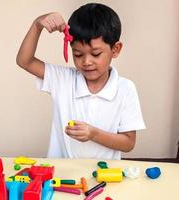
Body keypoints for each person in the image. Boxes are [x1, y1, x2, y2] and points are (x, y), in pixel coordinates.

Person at [16, 3, 145, 159]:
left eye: (96, 54)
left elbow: (128, 143)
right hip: (61, 175)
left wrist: (93, 133)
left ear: (115, 49)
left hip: (103, 176)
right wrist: (38, 24)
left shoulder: (125, 88)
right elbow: (25, 61)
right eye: (78, 54)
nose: (86, 62)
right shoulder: (63, 80)